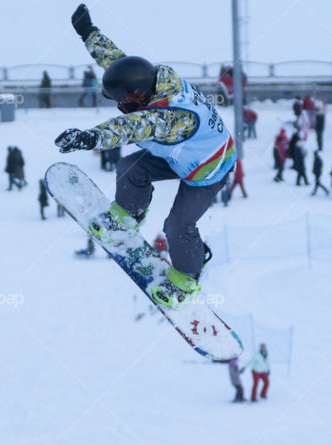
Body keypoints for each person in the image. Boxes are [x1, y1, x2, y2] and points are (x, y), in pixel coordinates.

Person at [54, 4, 237, 308]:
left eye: (121, 99)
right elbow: (117, 61)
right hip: (181, 155)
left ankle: (187, 278)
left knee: (178, 225)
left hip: (209, 169)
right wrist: (88, 34)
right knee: (129, 167)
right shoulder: (150, 81)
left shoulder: (168, 117)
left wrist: (92, 137)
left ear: (136, 95)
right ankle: (130, 214)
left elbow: (132, 126)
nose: (120, 104)